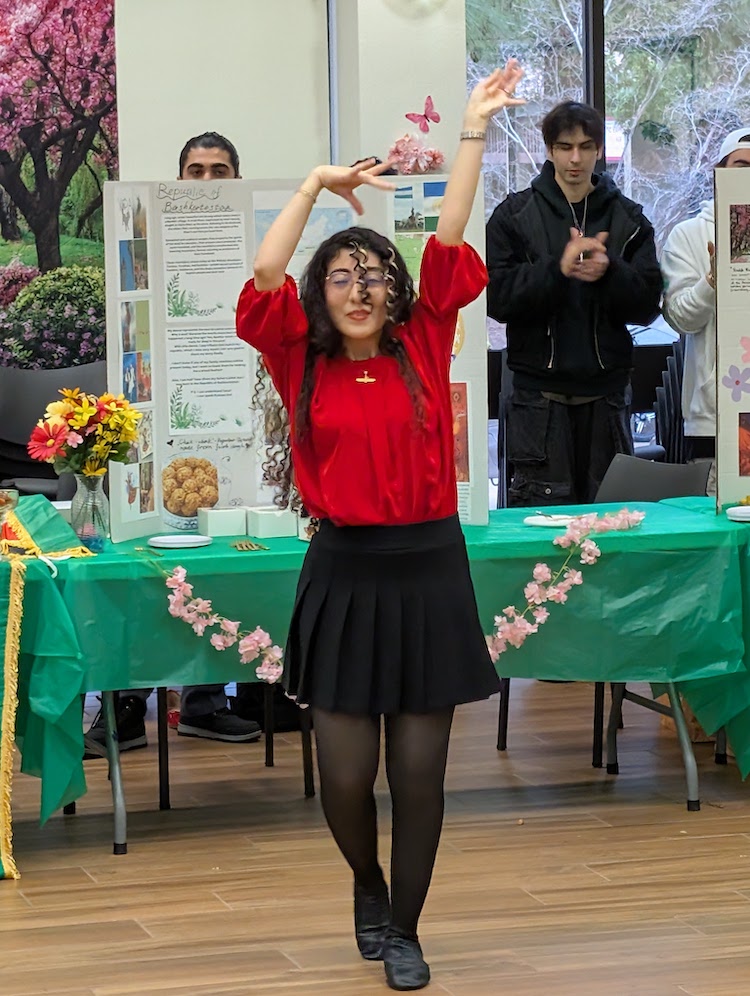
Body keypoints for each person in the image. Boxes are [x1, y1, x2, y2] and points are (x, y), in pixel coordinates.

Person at [235, 60, 524, 993]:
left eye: (373, 277)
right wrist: (317, 184)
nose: (358, 289)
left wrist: (473, 129)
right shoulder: (296, 358)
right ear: (322, 296)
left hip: (431, 568)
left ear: (396, 294)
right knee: (349, 779)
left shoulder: (424, 336)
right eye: (342, 277)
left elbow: (448, 229)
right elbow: (268, 270)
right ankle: (366, 883)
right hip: (343, 574)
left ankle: (405, 929)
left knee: (423, 775)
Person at [85, 132, 260, 755]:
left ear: (238, 179)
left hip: (237, 414)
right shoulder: (144, 239)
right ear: (177, 179)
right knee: (146, 562)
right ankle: (129, 705)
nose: (207, 182)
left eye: (220, 171)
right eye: (196, 171)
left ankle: (208, 702)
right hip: (162, 415)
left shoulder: (261, 244)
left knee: (224, 559)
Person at [486, 101, 662, 506]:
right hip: (538, 400)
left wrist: (609, 272)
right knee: (541, 527)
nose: (575, 158)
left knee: (613, 520)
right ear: (549, 149)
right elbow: (496, 298)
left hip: (608, 397)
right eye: (565, 147)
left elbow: (649, 304)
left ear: (599, 149)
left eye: (585, 146)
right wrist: (556, 269)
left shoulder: (628, 219)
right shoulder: (513, 216)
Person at [661, 126, 750, 492]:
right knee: (725, 527)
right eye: (741, 165)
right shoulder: (689, 235)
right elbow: (681, 318)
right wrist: (713, 280)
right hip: (716, 416)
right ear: (720, 172)